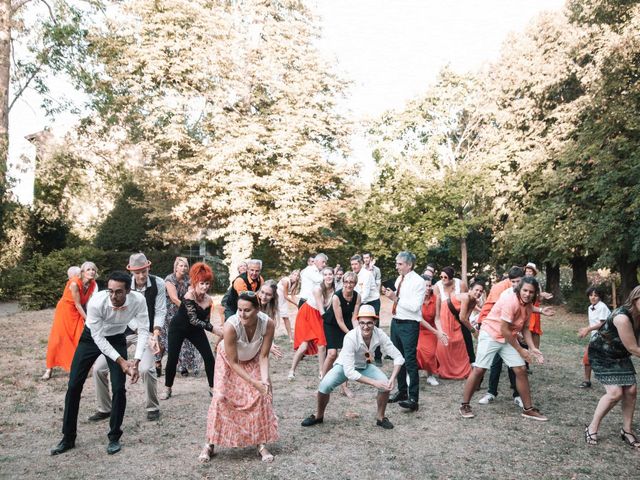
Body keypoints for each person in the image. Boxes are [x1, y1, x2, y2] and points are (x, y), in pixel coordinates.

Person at [50, 271, 149, 456]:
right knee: (73, 385)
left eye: (118, 292)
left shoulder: (138, 301)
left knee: (119, 388)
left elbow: (143, 330)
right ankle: (68, 437)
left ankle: (114, 437)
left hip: (117, 337)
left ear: (128, 291)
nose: (113, 296)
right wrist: (121, 361)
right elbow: (98, 338)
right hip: (91, 338)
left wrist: (135, 360)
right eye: (110, 291)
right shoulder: (97, 301)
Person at [199, 291, 278, 463]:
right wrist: (253, 382)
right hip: (229, 360)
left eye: (247, 310)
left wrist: (263, 381)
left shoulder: (268, 324)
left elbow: (264, 356)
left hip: (253, 358)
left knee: (261, 396)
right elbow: (233, 362)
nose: (242, 314)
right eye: (239, 310)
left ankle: (261, 445)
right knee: (220, 398)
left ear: (257, 309)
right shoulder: (231, 325)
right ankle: (210, 443)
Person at [459, 277, 553, 421]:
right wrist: (521, 350)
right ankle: (464, 405)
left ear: (535, 294)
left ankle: (528, 409)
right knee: (479, 369)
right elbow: (504, 330)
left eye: (531, 292)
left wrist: (533, 348)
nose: (527, 294)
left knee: (520, 370)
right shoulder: (511, 301)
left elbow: (526, 328)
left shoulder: (528, 305)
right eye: (525, 290)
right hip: (491, 334)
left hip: (507, 337)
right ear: (519, 289)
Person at [301, 305, 405, 430]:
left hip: (364, 365)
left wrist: (392, 378)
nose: (365, 326)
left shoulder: (380, 333)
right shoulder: (350, 337)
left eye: (369, 323)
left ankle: (380, 418)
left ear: (375, 322)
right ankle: (318, 415)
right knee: (324, 385)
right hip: (344, 366)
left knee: (385, 384)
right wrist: (374, 383)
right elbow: (349, 372)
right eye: (362, 323)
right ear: (358, 322)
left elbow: (398, 357)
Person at [89, 253, 165, 422]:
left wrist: (156, 334)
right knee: (99, 369)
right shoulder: (122, 286)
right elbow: (126, 314)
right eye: (137, 272)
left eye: (144, 271)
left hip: (147, 332)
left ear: (148, 268)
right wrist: (137, 329)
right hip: (120, 333)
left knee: (146, 369)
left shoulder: (159, 283)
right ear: (131, 271)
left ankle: (152, 407)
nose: (141, 275)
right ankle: (104, 408)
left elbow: (160, 310)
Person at [585, 286, 640, 448]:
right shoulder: (622, 317)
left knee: (631, 390)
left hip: (620, 353)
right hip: (602, 353)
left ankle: (627, 430)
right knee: (615, 393)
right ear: (635, 298)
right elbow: (633, 348)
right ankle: (592, 427)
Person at [164, 263, 222, 400]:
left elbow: (205, 321)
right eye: (202, 283)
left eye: (207, 283)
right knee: (172, 358)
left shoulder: (208, 300)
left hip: (194, 330)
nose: (205, 287)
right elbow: (193, 319)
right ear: (196, 282)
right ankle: (167, 388)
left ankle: (213, 388)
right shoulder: (189, 296)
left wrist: (216, 328)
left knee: (209, 357)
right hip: (178, 328)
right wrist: (215, 330)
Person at [384, 251, 426, 412]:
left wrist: (396, 299)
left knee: (409, 360)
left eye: (399, 264)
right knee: (397, 357)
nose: (397, 267)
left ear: (409, 265)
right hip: (396, 321)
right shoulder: (399, 279)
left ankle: (413, 398)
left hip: (409, 324)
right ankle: (402, 392)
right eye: (396, 263)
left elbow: (415, 307)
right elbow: (398, 302)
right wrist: (391, 296)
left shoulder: (418, 281)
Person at [476, 266, 524, 406]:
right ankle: (491, 392)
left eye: (518, 281)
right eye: (513, 281)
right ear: (509, 281)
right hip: (496, 332)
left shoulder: (523, 293)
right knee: (495, 363)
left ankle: (517, 394)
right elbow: (492, 309)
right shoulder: (503, 292)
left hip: (510, 334)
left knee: (514, 365)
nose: (516, 284)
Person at [42, 261, 98, 380]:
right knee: (58, 339)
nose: (91, 271)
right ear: (82, 272)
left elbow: (88, 302)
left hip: (78, 311)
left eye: (93, 269)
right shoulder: (74, 283)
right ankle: (49, 369)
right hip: (65, 311)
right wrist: (88, 320)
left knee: (80, 338)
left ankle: (81, 366)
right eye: (88, 269)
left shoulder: (92, 284)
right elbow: (77, 304)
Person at [289, 267, 334, 380]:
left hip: (319, 315)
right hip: (308, 314)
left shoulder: (335, 289)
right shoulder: (317, 289)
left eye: (330, 274)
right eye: (325, 275)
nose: (328, 277)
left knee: (322, 344)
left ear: (333, 276)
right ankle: (292, 371)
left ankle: (321, 372)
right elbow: (321, 308)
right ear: (322, 277)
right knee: (304, 346)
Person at [160, 257, 201, 377]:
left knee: (186, 339)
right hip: (170, 312)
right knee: (168, 339)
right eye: (181, 266)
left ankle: (184, 365)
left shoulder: (188, 279)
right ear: (176, 267)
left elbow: (190, 292)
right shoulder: (169, 279)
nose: (183, 268)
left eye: (185, 266)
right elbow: (173, 298)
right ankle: (159, 363)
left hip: (184, 310)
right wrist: (187, 308)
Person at [322, 271, 361, 397]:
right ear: (343, 282)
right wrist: (350, 334)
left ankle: (344, 387)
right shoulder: (336, 296)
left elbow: (354, 318)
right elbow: (339, 320)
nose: (348, 285)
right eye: (346, 282)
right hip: (332, 323)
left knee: (346, 355)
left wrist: (356, 333)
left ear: (355, 283)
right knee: (332, 353)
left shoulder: (357, 296)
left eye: (351, 282)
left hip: (348, 323)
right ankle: (323, 380)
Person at [435, 281, 485, 379]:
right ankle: (445, 369)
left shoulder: (474, 301)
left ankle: (460, 369)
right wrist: (474, 331)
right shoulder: (466, 297)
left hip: (457, 316)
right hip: (447, 311)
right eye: (476, 290)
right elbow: (462, 318)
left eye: (481, 291)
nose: (478, 292)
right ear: (470, 289)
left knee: (460, 340)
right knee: (448, 339)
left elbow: (466, 317)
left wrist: (471, 328)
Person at [416, 276, 447, 385]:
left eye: (430, 285)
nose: (428, 288)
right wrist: (436, 332)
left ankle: (430, 375)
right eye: (426, 286)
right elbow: (419, 319)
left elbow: (437, 318)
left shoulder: (436, 298)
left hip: (431, 330)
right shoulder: (416, 297)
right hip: (417, 329)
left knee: (430, 354)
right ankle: (411, 374)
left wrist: (441, 332)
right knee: (418, 350)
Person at [578, 286, 611, 388]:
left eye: (596, 295)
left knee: (605, 361)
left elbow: (601, 324)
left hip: (605, 338)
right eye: (591, 295)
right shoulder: (590, 308)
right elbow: (593, 323)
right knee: (587, 359)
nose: (593, 297)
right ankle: (587, 381)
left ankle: (612, 383)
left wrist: (588, 329)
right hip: (595, 338)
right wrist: (586, 330)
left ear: (600, 296)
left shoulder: (602, 307)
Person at [524, 262, 553, 349]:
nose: (528, 273)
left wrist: (542, 296)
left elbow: (539, 299)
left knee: (535, 330)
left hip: (535, 308)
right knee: (526, 328)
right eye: (527, 271)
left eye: (530, 271)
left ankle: (536, 350)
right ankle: (525, 348)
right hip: (526, 307)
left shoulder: (537, 284)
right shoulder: (523, 282)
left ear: (534, 273)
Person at [277, 270, 300, 341]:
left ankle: (290, 337)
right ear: (291, 274)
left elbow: (292, 295)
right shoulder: (286, 281)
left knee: (286, 317)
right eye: (294, 274)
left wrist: (298, 304)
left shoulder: (295, 284)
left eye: (297, 275)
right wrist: (295, 304)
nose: (295, 276)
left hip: (283, 300)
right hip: (276, 298)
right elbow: (286, 295)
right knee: (273, 317)